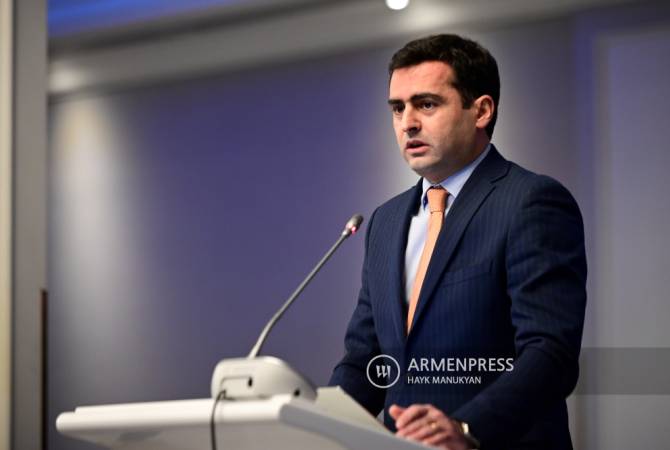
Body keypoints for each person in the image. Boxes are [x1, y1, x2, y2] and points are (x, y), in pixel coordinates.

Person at [329, 34, 587, 450]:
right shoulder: (384, 223)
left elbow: (549, 353)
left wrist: (467, 428)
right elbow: (366, 362)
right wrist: (312, 428)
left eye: (426, 104)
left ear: (481, 110)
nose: (408, 122)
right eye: (398, 108)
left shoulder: (531, 201)